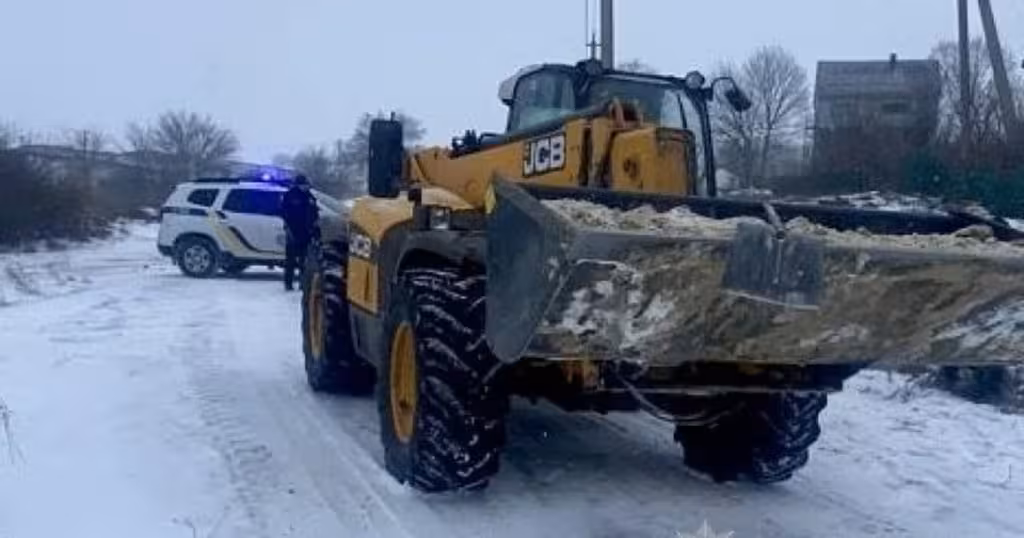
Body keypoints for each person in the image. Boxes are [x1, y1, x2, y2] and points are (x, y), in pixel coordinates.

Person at [280, 175, 319, 291]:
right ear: (299, 184)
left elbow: (314, 212)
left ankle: (303, 283)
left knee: (304, 260)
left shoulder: (309, 196)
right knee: (290, 260)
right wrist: (288, 228)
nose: (306, 186)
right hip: (293, 232)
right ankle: (288, 283)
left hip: (306, 232)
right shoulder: (290, 195)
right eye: (304, 184)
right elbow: (284, 212)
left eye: (307, 185)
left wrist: (314, 227)